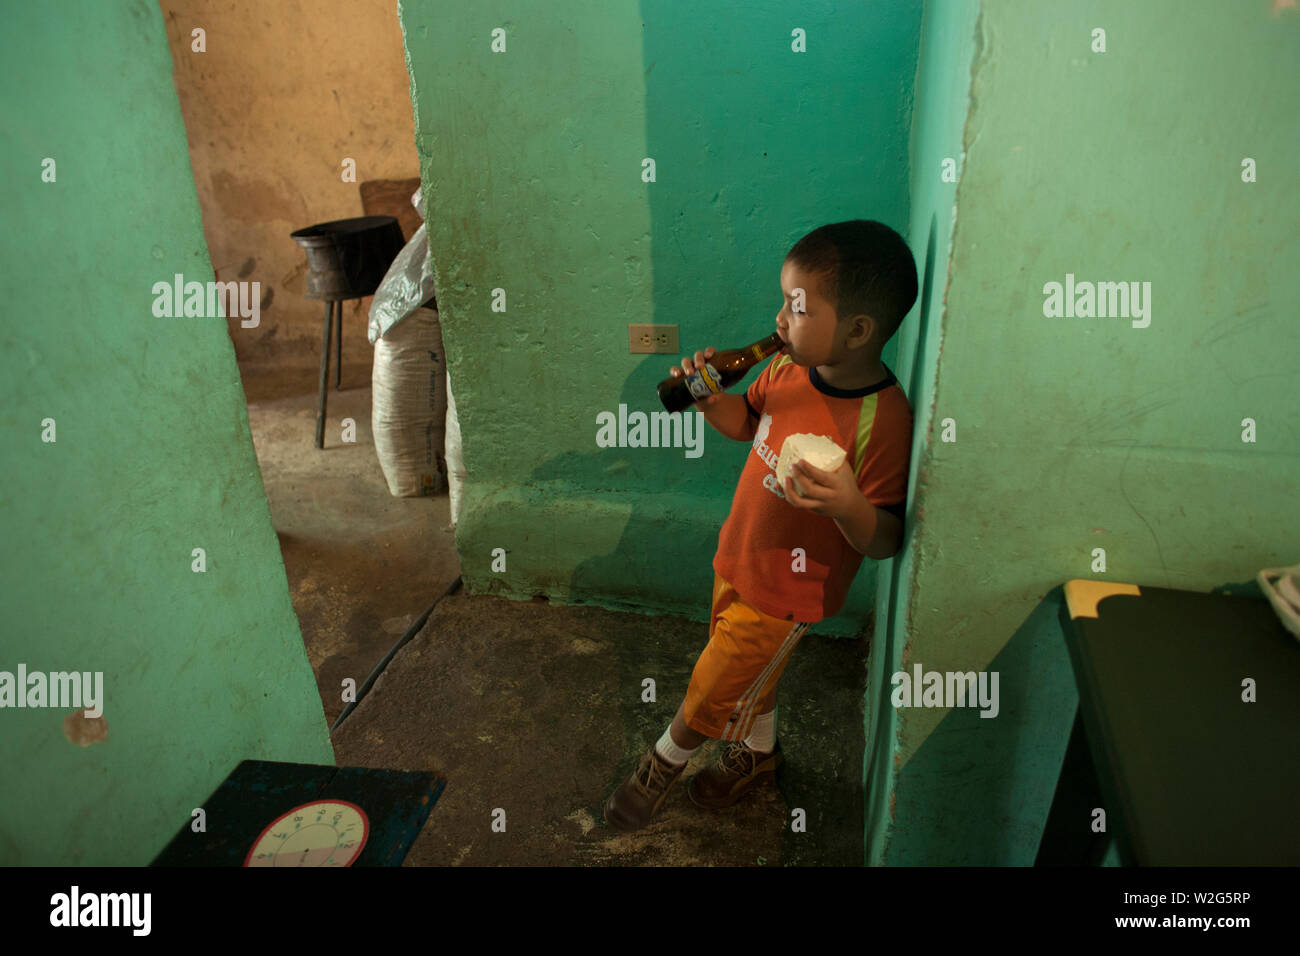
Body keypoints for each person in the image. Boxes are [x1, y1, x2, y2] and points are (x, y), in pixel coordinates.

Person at [603, 220, 917, 832]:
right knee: (748, 675)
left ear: (857, 330)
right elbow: (748, 426)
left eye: (797, 308)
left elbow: (886, 539)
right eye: (783, 301)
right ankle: (757, 756)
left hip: (790, 591)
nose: (779, 319)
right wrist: (706, 398)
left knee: (712, 682)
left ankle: (663, 764)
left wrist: (849, 504)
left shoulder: (884, 420)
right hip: (739, 555)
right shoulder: (784, 370)